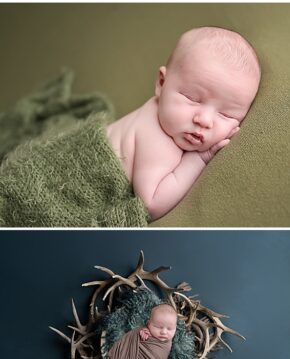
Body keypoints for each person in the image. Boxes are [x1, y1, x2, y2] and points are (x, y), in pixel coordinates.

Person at [107, 27, 261, 220]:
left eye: (225, 114)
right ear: (161, 83)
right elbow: (150, 204)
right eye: (192, 98)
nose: (204, 120)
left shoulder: (161, 113)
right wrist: (199, 159)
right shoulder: (158, 140)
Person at [106, 302, 178, 359]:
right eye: (158, 327)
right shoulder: (146, 330)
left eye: (170, 329)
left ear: (175, 328)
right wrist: (140, 332)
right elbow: (132, 336)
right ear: (149, 323)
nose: (164, 332)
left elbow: (158, 355)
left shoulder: (167, 343)